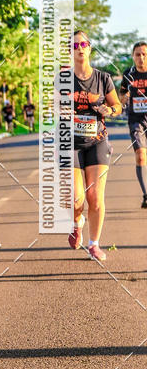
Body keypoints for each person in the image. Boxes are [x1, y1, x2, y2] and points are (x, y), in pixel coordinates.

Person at [68, 30, 121, 262]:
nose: (80, 48)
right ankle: (76, 222)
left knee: (95, 198)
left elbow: (117, 105)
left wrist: (110, 110)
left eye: (83, 44)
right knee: (76, 200)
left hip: (97, 141)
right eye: (75, 45)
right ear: (70, 51)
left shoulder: (103, 78)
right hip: (70, 144)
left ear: (89, 48)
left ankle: (94, 245)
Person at [119, 40, 147, 208]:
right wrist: (125, 98)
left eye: (144, 54)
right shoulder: (128, 74)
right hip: (136, 120)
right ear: (133, 56)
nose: (141, 58)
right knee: (141, 155)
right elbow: (121, 97)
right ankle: (146, 194)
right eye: (138, 54)